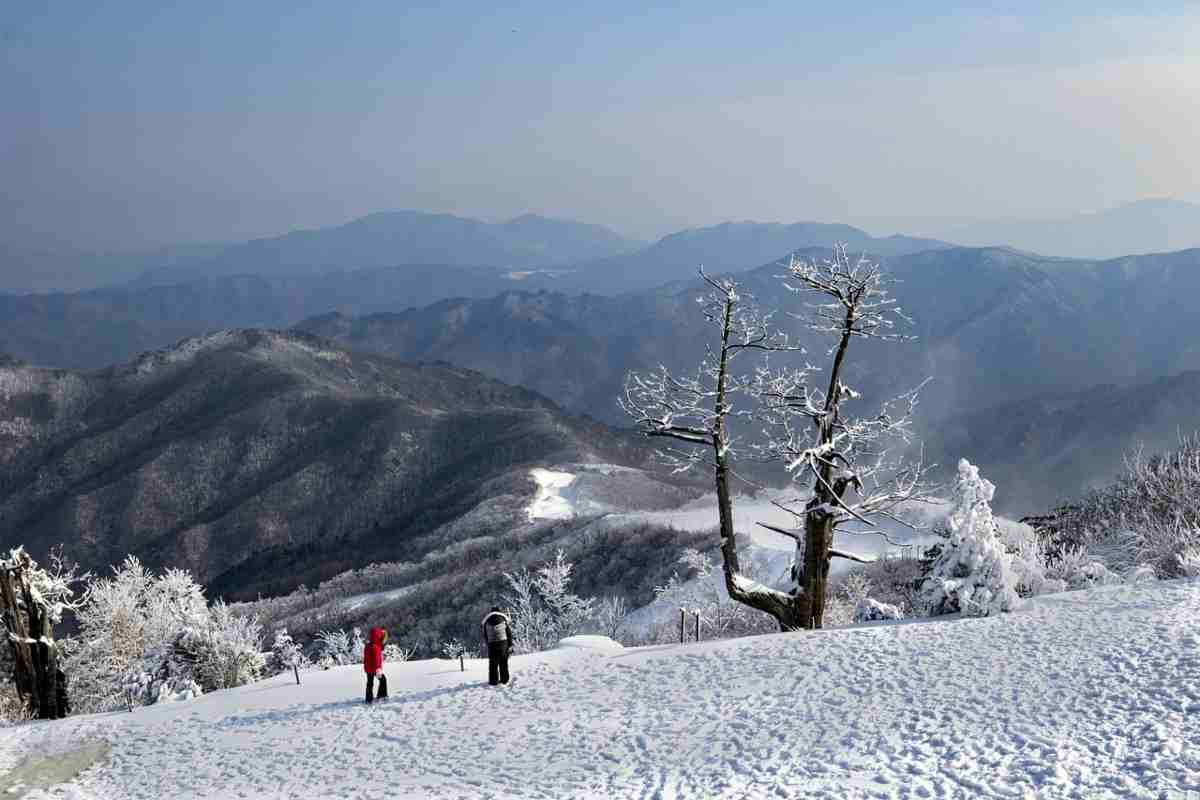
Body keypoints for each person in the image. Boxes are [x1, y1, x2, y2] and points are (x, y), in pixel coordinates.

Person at [481, 606, 513, 686]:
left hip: (492, 644)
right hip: (503, 643)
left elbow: (485, 636)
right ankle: (504, 680)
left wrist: (489, 645)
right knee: (503, 662)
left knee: (493, 664)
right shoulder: (503, 619)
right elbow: (509, 633)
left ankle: (493, 682)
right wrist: (510, 645)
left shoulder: (486, 621)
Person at [363, 627, 389, 704]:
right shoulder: (376, 647)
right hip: (375, 668)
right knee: (383, 680)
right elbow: (377, 658)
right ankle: (382, 695)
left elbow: (366, 657)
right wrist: (378, 669)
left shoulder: (368, 645)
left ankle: (368, 699)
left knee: (370, 683)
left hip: (368, 668)